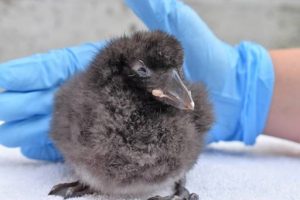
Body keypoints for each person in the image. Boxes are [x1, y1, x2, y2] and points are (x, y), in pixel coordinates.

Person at [0, 0, 299, 162]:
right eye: (145, 71)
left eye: (176, 71)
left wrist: (244, 86)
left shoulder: (187, 103)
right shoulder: (86, 106)